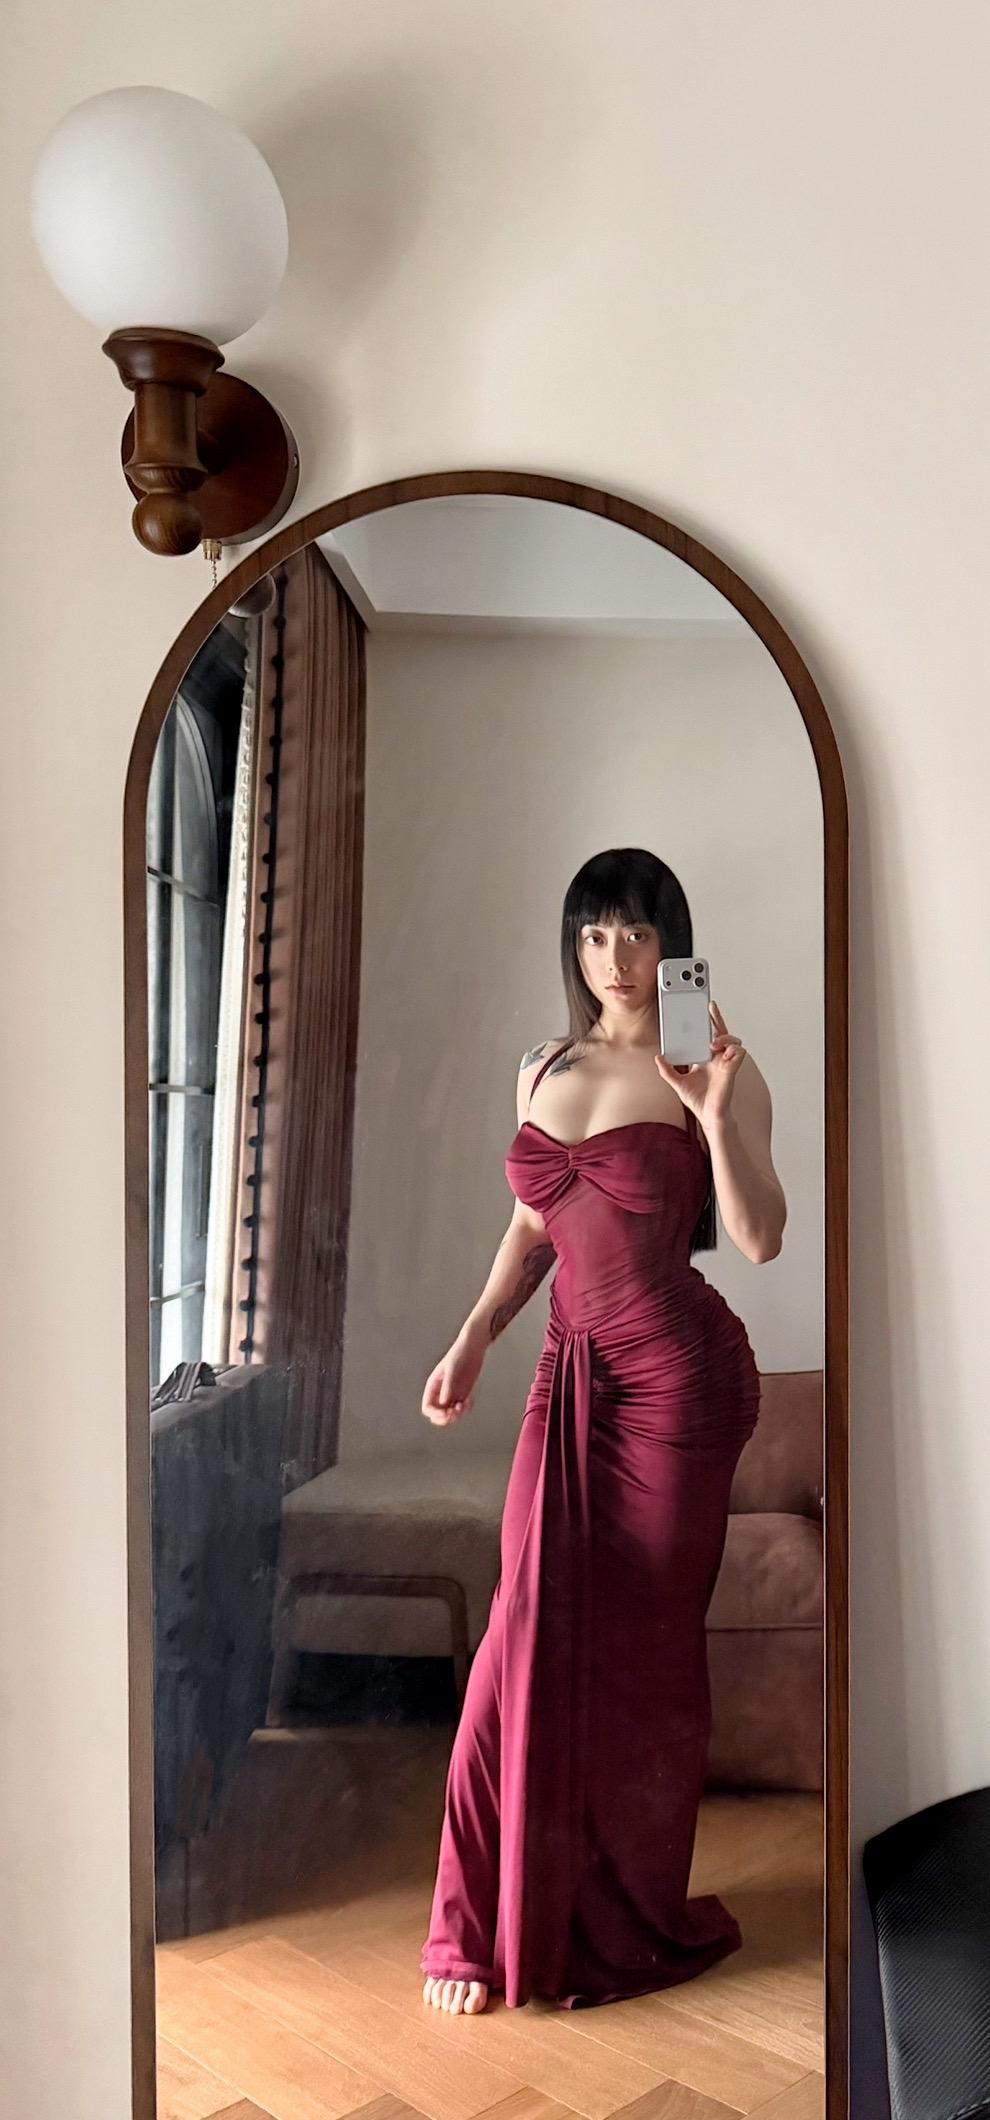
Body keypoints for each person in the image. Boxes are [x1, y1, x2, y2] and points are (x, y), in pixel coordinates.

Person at [418, 846, 787, 2014]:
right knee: (516, 1634)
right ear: (571, 947)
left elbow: (761, 1236)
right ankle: (474, 1925)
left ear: (672, 943)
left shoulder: (716, 1068)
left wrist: (714, 1118)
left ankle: (620, 1907)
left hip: (679, 1384)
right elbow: (533, 1226)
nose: (614, 958)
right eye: (593, 934)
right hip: (565, 1372)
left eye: (636, 932)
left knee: (643, 1657)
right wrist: (473, 1335)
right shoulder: (542, 1065)